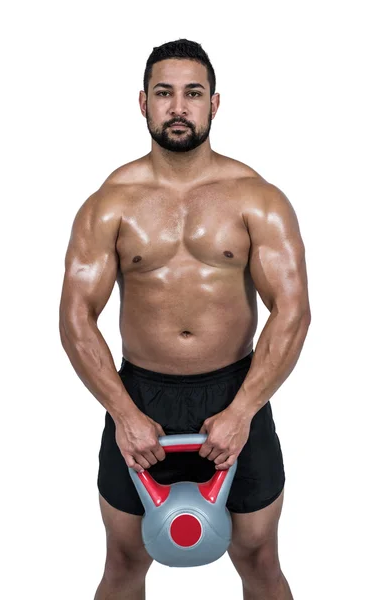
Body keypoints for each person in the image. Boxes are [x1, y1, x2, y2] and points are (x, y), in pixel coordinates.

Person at [59, 38, 311, 600]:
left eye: (192, 93)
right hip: (140, 394)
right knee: (124, 560)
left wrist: (243, 411)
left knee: (260, 558)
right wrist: (123, 413)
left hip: (234, 389)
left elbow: (292, 311)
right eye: (164, 93)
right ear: (142, 103)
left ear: (214, 104)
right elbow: (76, 315)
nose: (178, 106)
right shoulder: (111, 203)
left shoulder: (256, 198)